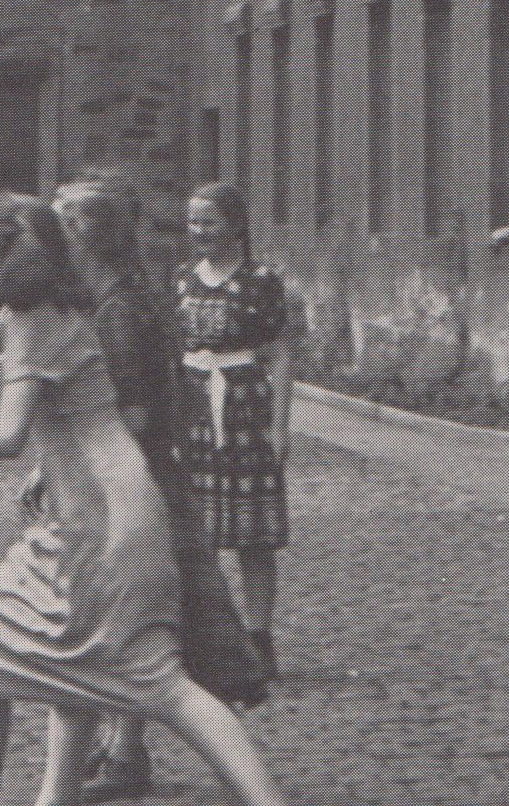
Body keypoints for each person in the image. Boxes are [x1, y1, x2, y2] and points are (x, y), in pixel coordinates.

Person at [0, 191, 288, 806]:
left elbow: (7, 434)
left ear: (6, 254)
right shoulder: (43, 311)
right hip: (93, 513)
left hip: (106, 521)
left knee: (153, 682)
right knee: (19, 655)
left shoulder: (38, 325)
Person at [54, 176, 266, 803]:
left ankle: (132, 757)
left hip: (128, 485)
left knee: (126, 626)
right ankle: (120, 751)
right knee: (126, 622)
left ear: (87, 238)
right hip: (135, 480)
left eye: (62, 228)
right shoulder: (118, 297)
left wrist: (77, 450)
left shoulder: (118, 310)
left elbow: (135, 410)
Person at [174, 183, 291, 678]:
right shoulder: (183, 280)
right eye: (193, 222)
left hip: (243, 406)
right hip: (193, 405)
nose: (199, 231)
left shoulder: (260, 282)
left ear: (236, 225)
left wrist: (279, 426)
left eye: (209, 222)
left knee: (251, 534)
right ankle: (208, 638)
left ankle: (258, 637)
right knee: (193, 531)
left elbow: (279, 354)